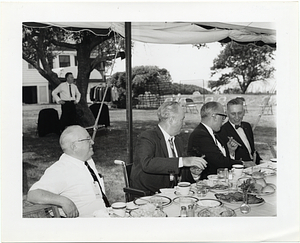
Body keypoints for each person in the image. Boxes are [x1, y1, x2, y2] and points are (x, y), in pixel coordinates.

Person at [27, 125, 109, 218]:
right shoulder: (60, 170)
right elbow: (33, 195)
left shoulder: (86, 159)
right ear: (74, 146)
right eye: (88, 139)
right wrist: (63, 201)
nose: (92, 142)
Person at [130, 101, 207, 194]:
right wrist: (183, 161)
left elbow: (179, 169)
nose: (184, 124)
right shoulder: (147, 137)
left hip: (172, 193)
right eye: (182, 119)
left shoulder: (177, 140)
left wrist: (194, 174)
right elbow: (147, 163)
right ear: (171, 120)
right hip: (149, 195)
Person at [187, 102, 254, 180]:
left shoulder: (214, 133)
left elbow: (220, 158)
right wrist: (243, 163)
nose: (223, 120)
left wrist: (230, 151)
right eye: (223, 117)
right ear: (215, 117)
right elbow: (218, 161)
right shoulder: (200, 134)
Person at [217, 98, 261, 164]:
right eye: (233, 114)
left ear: (244, 112)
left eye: (240, 113)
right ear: (227, 114)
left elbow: (252, 150)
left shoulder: (247, 126)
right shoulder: (221, 131)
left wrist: (260, 161)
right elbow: (224, 159)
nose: (237, 117)